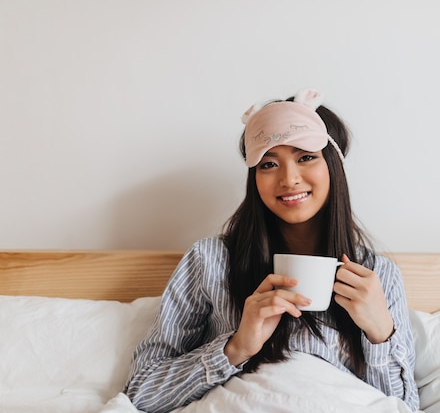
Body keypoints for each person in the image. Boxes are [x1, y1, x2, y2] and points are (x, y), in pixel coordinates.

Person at [124, 89, 420, 412]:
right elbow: (141, 391)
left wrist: (380, 333)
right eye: (268, 164)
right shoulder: (208, 261)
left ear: (333, 166)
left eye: (305, 157)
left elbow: (403, 407)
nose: (289, 179)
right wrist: (236, 347)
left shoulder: (377, 276)